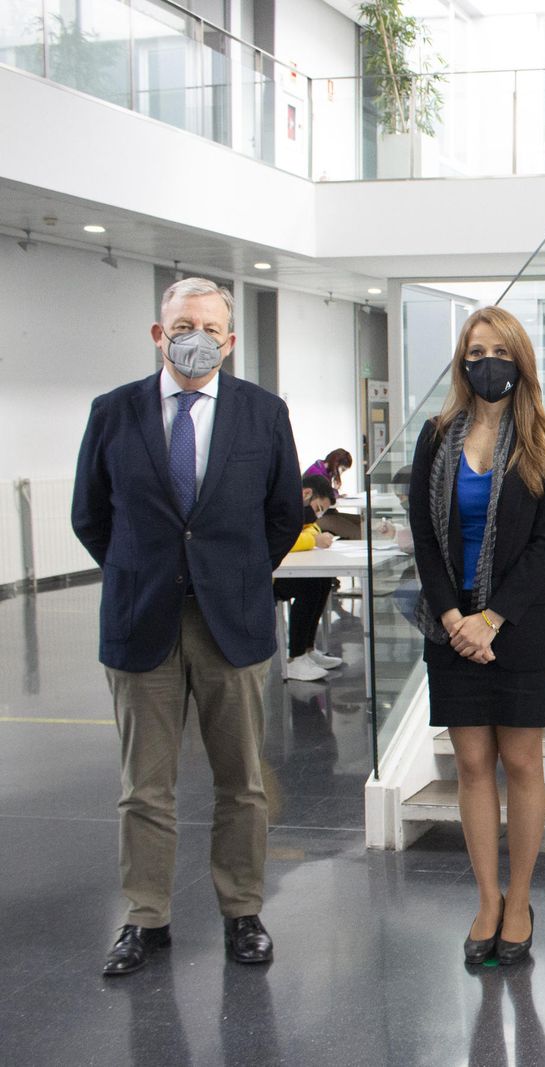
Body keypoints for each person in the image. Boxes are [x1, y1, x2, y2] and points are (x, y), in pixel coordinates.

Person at [72, 277, 302, 976]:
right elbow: (90, 515)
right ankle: (146, 918)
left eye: (209, 325)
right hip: (142, 621)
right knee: (145, 786)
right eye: (182, 324)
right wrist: (145, 572)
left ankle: (243, 911)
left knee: (242, 781)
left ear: (230, 343)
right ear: (157, 333)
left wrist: (229, 576)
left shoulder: (263, 413)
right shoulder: (113, 412)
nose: (194, 335)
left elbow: (284, 513)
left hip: (230, 623)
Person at [408, 305, 545, 967]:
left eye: (499, 350)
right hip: (452, 629)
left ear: (520, 360)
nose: (487, 362)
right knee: (472, 766)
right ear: (462, 360)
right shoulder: (435, 435)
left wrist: (492, 618)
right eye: (476, 351)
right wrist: (453, 618)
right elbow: (423, 535)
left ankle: (521, 897)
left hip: (521, 628)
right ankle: (486, 899)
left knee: (521, 763)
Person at [273, 474, 345, 682]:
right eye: (318, 508)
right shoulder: (283, 504)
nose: (317, 515)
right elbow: (285, 538)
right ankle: (295, 657)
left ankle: (307, 649)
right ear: (306, 494)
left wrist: (312, 536)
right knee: (310, 585)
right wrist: (313, 539)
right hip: (270, 577)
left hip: (284, 569)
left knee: (322, 580)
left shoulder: (300, 510)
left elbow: (311, 529)